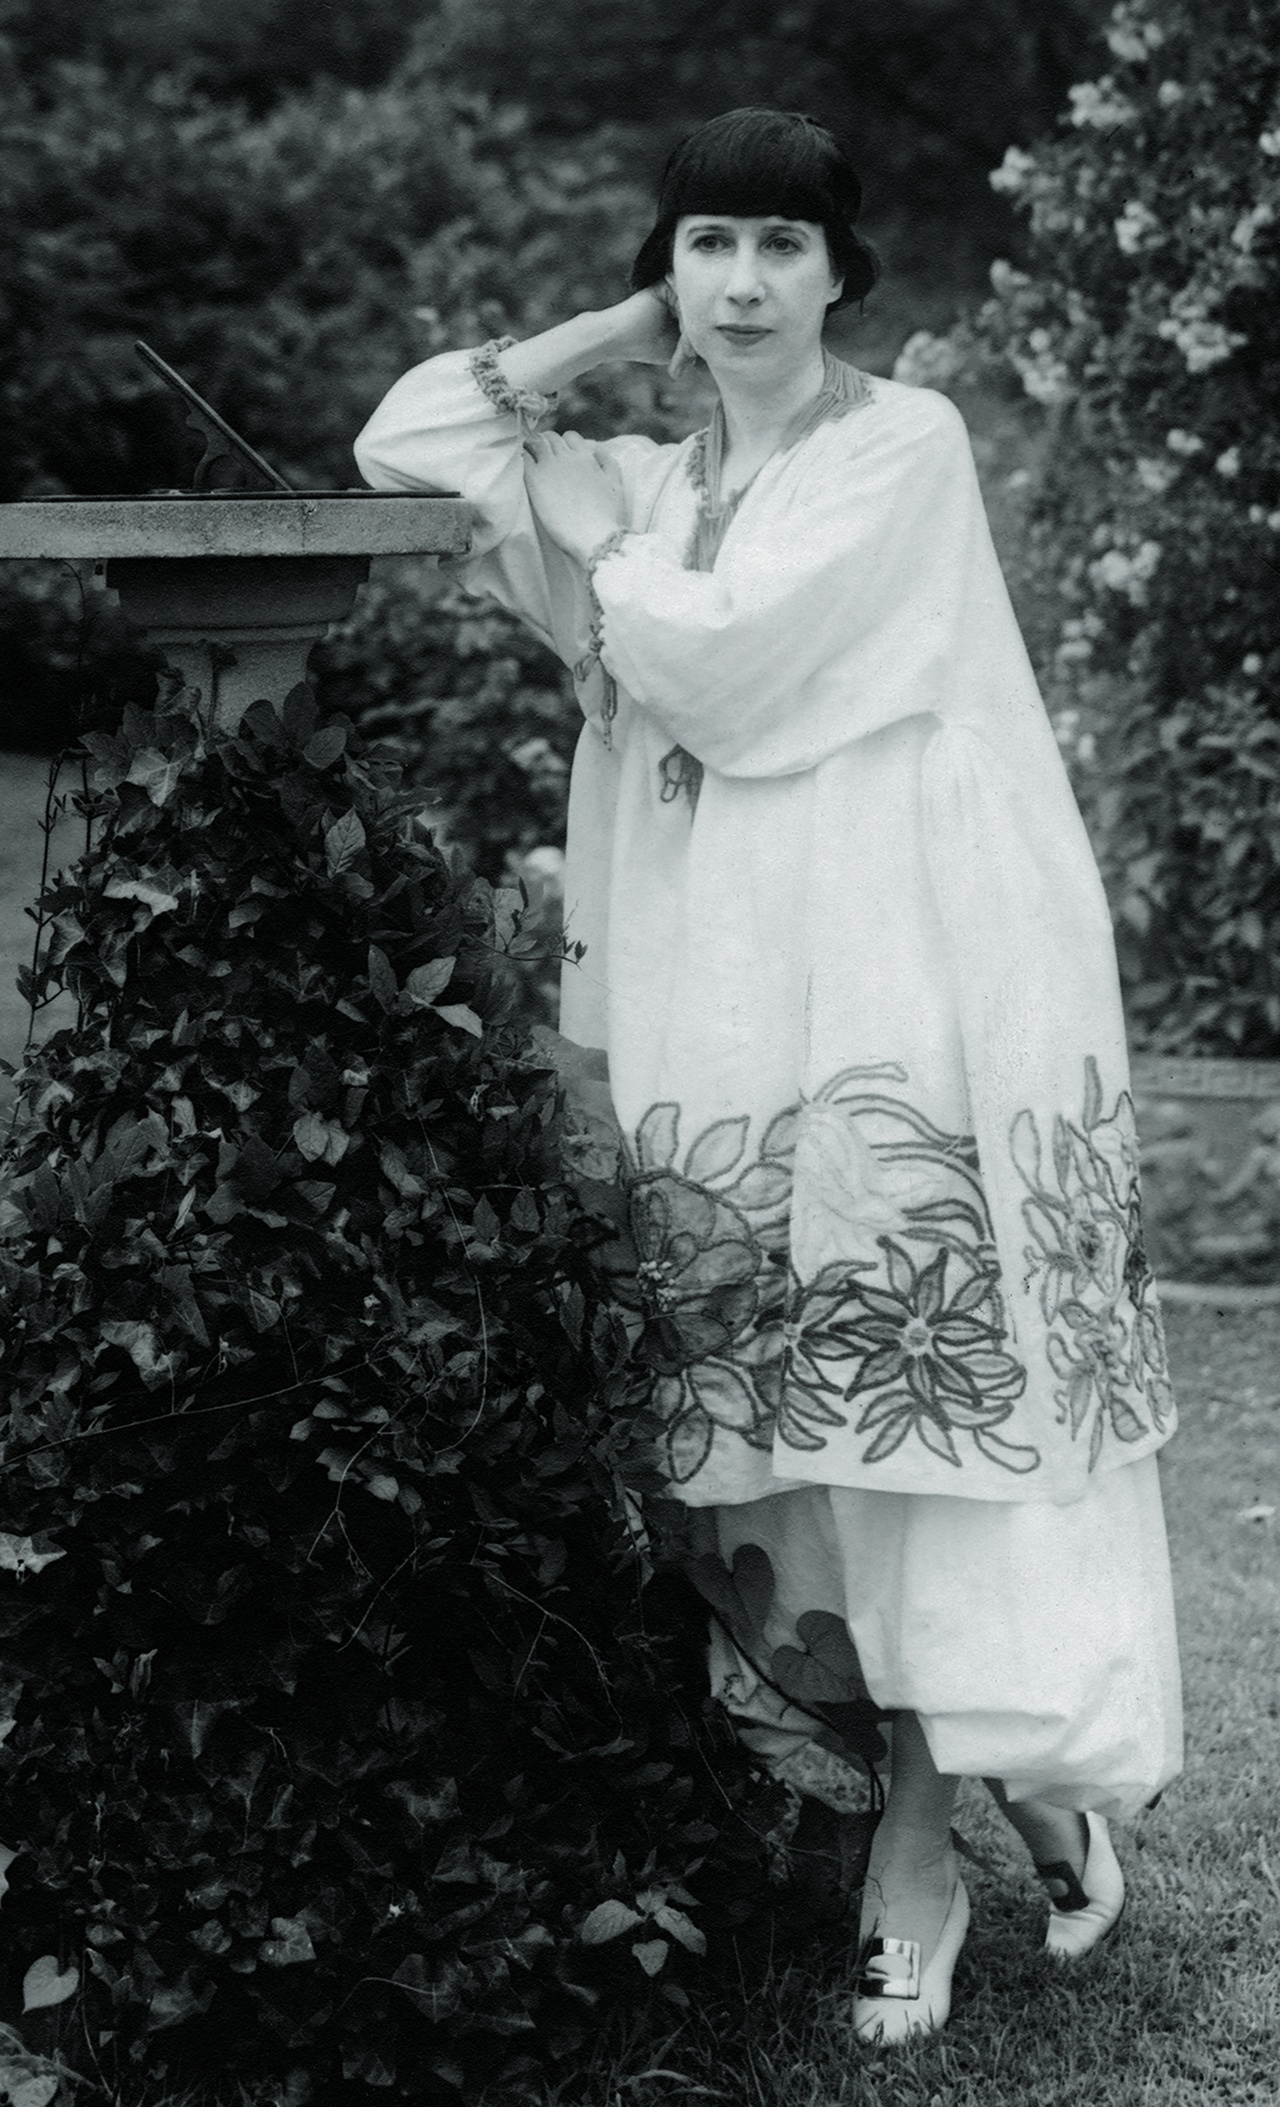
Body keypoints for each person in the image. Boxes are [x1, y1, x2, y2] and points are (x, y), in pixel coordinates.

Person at [354, 107, 1183, 2045]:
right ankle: (1004, 1782)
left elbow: (724, 663)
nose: (742, 284)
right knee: (750, 1434)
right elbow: (416, 437)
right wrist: (606, 334)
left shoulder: (905, 447)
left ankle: (919, 1846)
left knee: (906, 1421)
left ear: (839, 273)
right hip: (711, 990)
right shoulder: (638, 481)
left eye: (780, 246)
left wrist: (606, 549)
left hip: (903, 972)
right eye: (707, 245)